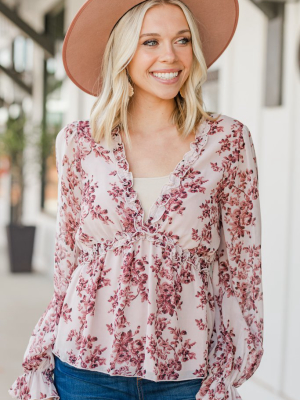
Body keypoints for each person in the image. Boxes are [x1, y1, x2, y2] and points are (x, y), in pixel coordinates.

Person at [8, 0, 264, 399]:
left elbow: (242, 269)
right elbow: (67, 263)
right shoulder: (79, 143)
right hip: (84, 368)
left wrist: (229, 369)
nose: (170, 56)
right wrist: (43, 351)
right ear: (123, 53)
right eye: (151, 41)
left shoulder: (227, 142)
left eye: (182, 40)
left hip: (189, 371)